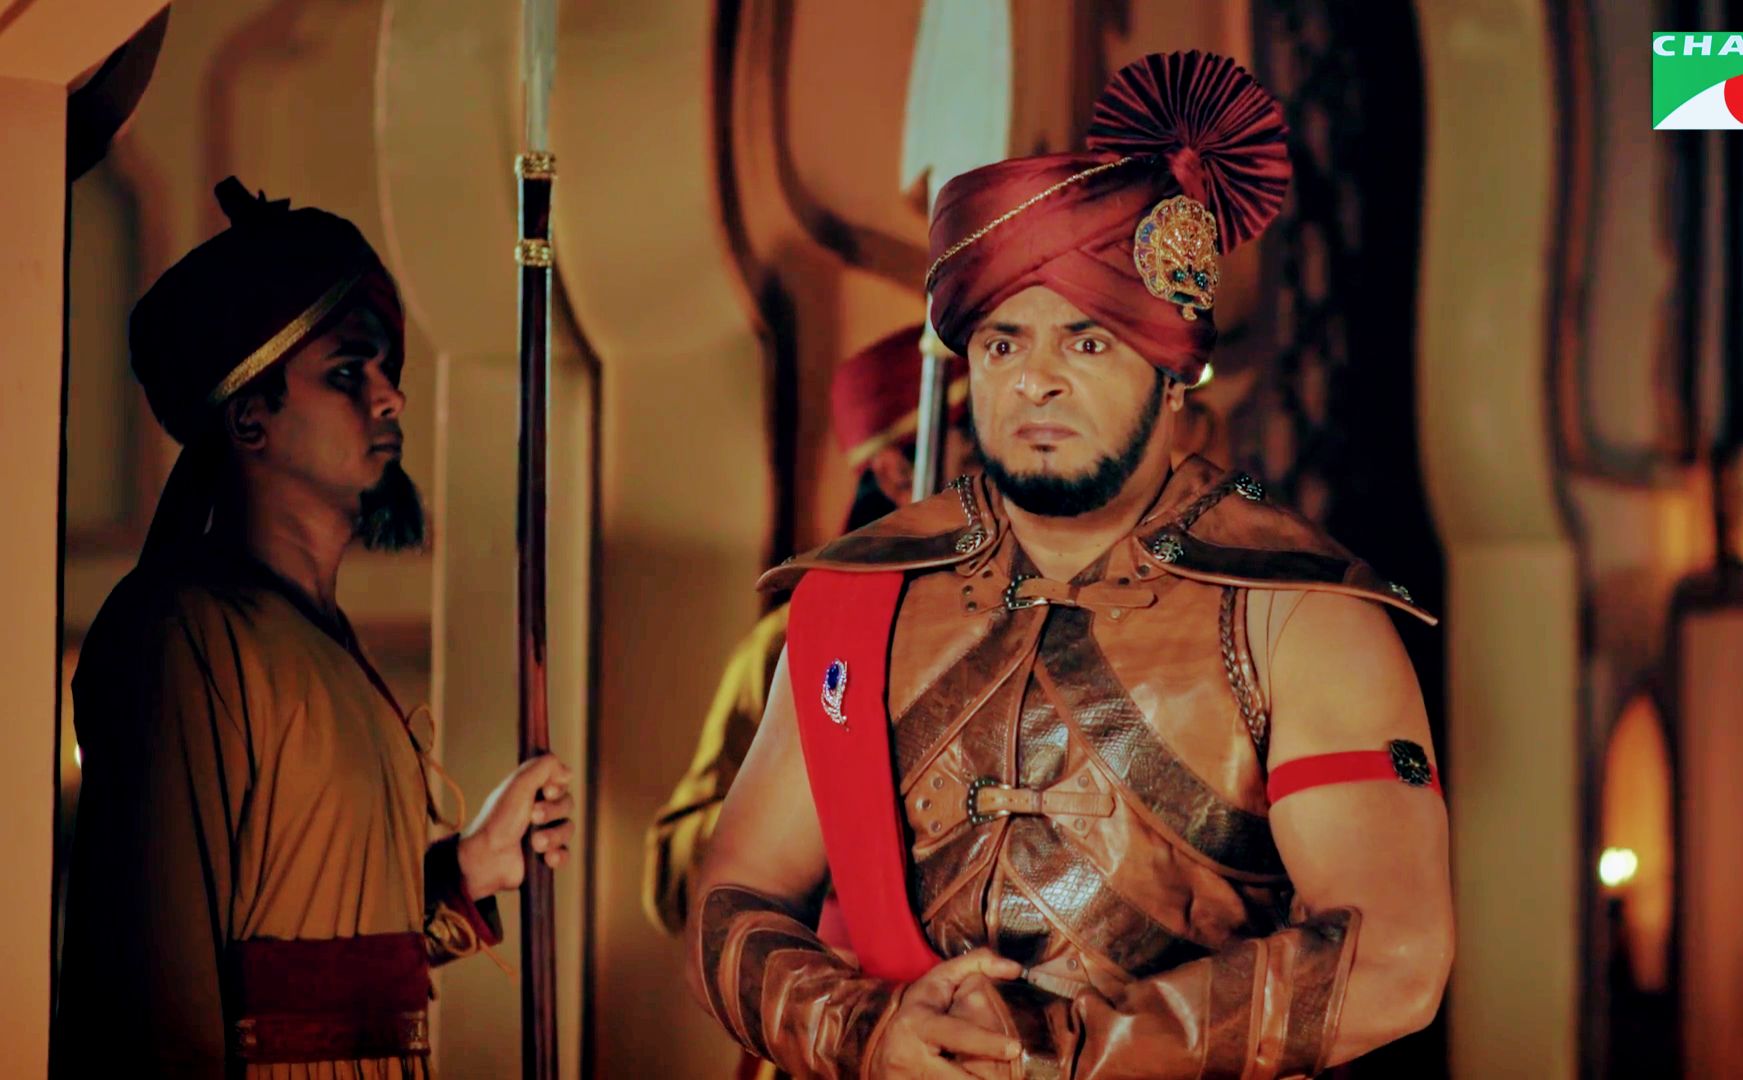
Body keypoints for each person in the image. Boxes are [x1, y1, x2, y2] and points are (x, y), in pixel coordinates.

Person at [685, 51, 1453, 1080]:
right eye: (1003, 344)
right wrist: (863, 1030)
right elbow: (731, 900)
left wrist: (1070, 1053)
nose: (1034, 381)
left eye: (1086, 343)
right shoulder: (860, 597)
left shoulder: (1299, 614)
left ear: (1173, 368)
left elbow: (1394, 959)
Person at [53, 179, 575, 1077]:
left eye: (385, 370)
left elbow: (317, 965)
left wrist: (470, 867)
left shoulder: (316, 637)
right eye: (347, 374)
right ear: (250, 418)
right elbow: (155, 1010)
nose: (390, 398)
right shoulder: (183, 635)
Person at [642, 325, 972, 940]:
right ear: (896, 472)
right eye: (974, 448)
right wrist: (819, 803)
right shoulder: (796, 644)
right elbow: (672, 881)